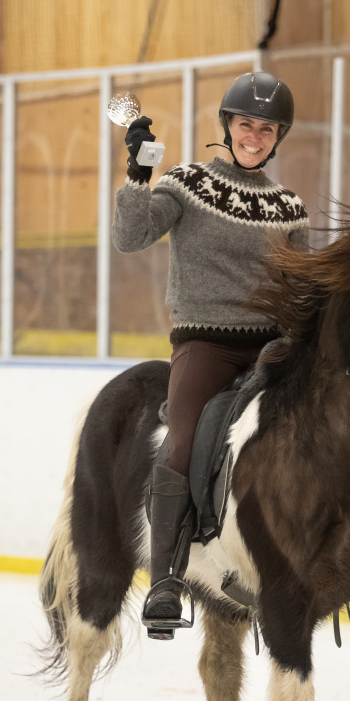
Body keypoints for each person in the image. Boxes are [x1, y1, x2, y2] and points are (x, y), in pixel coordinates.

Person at [112, 71, 309, 635]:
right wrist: (137, 175)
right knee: (183, 439)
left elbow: (306, 286)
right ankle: (166, 579)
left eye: (267, 129)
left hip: (274, 351)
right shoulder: (190, 182)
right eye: (246, 124)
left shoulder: (288, 206)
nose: (255, 136)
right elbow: (131, 237)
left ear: (279, 137)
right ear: (228, 126)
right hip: (207, 344)